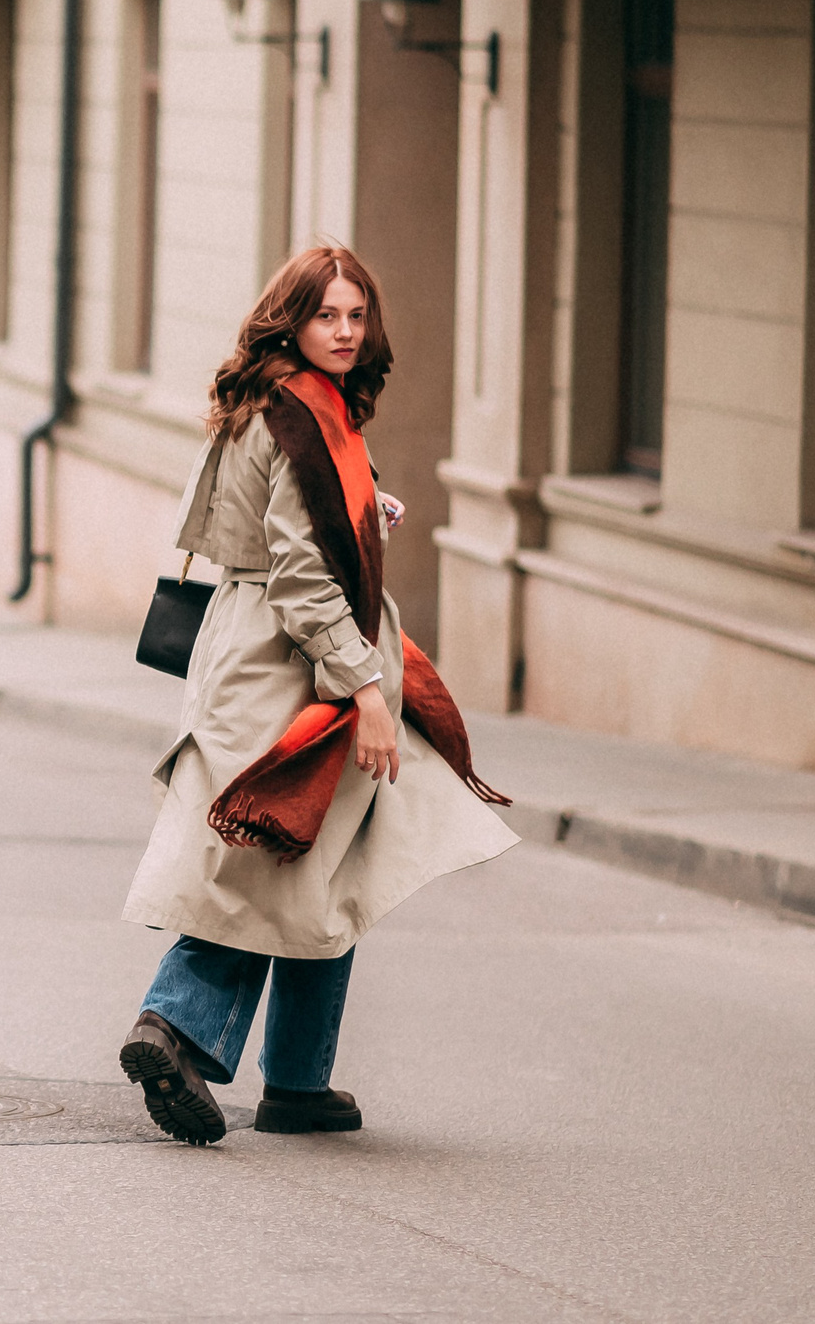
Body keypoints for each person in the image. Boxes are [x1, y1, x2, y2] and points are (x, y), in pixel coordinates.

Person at [117, 245, 517, 1144]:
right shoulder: (299, 413)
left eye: (355, 315)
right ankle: (174, 1025)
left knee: (320, 861)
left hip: (248, 647)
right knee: (278, 856)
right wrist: (365, 689)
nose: (344, 331)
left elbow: (267, 523)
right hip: (289, 662)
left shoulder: (269, 401)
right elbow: (299, 571)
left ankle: (297, 1077)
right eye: (327, 314)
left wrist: (364, 506)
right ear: (291, 319)